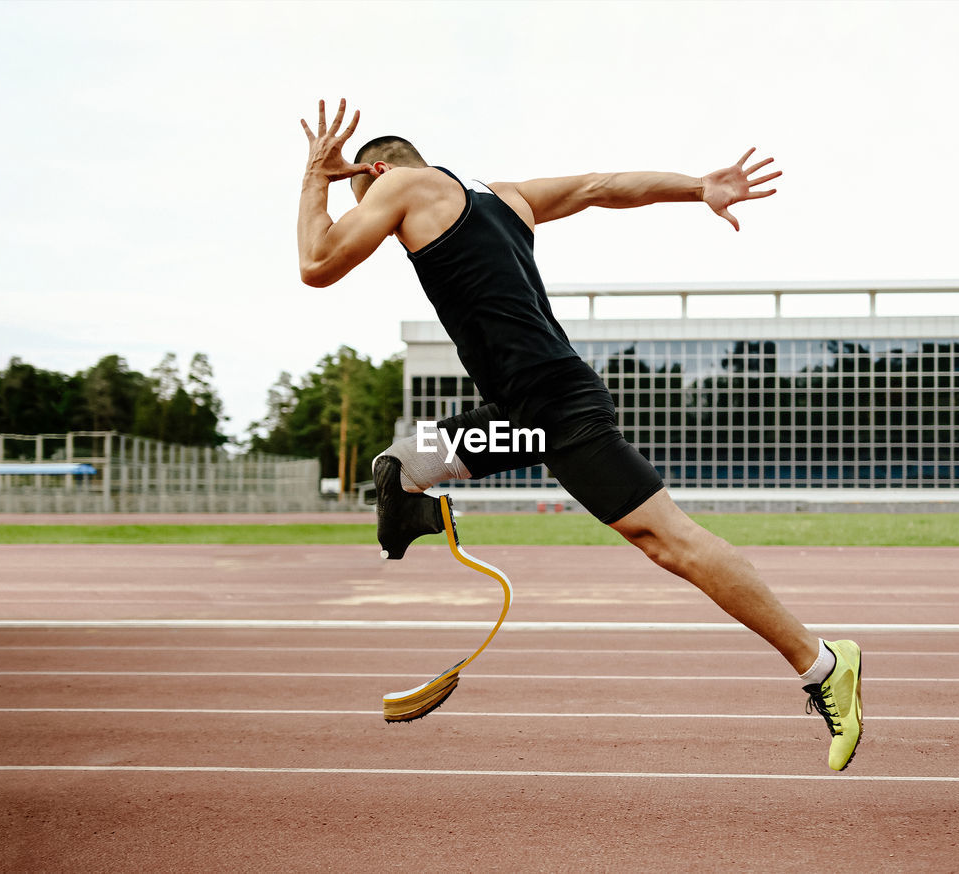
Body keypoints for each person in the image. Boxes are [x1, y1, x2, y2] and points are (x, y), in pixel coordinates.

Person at [297, 98, 862, 771]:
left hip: (553, 409)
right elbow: (601, 187)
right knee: (402, 463)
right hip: (522, 414)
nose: (378, 224)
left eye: (367, 205)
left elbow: (317, 262)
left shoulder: (402, 184)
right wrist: (696, 188)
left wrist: (314, 178)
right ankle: (412, 520)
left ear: (380, 170)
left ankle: (823, 663)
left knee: (670, 542)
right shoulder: (502, 197)